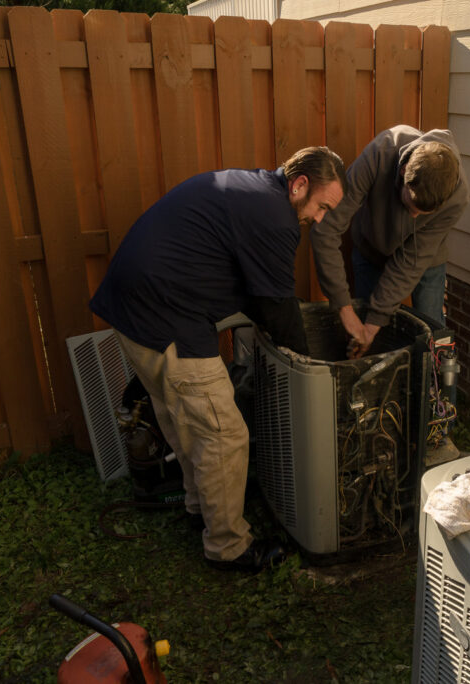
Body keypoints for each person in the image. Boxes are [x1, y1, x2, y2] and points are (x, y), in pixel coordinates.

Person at [90, 147, 346, 572]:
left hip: (132, 310)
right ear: (300, 185)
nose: (319, 219)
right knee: (224, 434)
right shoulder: (276, 217)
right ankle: (228, 547)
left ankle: (200, 509)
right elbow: (277, 307)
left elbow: (254, 289)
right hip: (166, 316)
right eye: (322, 207)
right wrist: (311, 366)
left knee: (183, 418)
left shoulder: (254, 190)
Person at [310, 125, 469, 359]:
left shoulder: (458, 197)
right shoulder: (381, 152)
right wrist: (345, 309)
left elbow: (409, 263)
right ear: (404, 171)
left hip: (425, 260)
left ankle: (439, 382)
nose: (414, 217)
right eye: (410, 206)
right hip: (371, 245)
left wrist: (377, 320)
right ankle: (372, 379)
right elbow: (326, 228)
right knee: (364, 334)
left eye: (423, 214)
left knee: (434, 331)